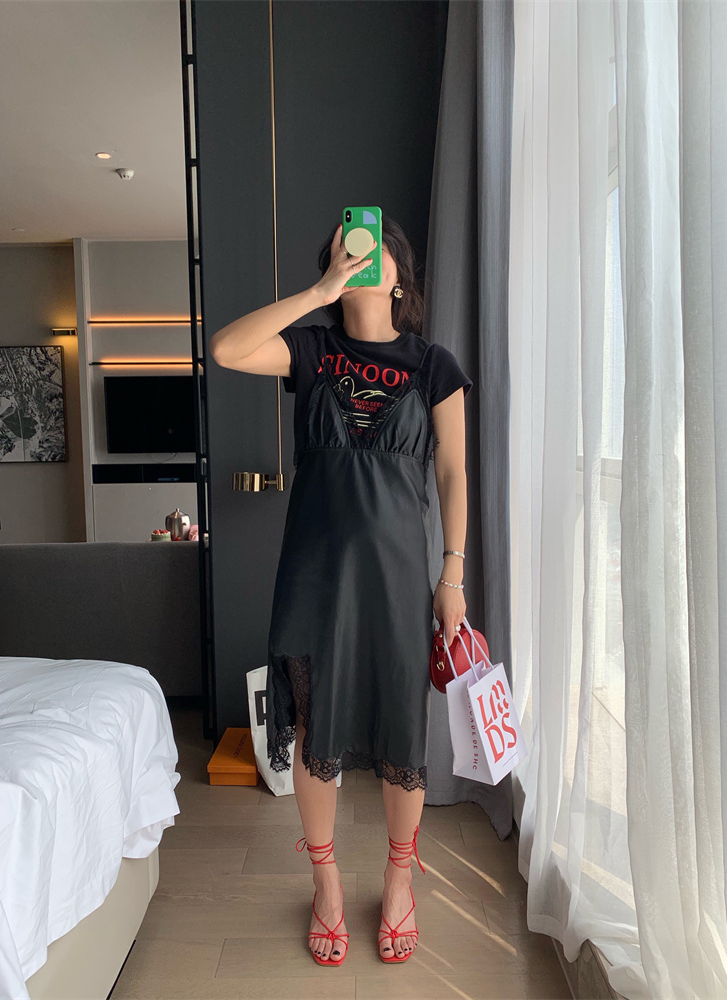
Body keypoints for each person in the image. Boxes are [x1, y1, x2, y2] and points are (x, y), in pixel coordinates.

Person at [209, 215, 471, 966]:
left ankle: (399, 881)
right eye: (341, 247)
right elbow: (226, 349)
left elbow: (452, 473)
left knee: (402, 732)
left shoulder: (434, 365)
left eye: (371, 245)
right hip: (314, 574)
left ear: (399, 276)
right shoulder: (311, 350)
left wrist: (452, 573)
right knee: (314, 727)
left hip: (398, 579)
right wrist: (317, 294)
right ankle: (324, 884)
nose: (356, 253)